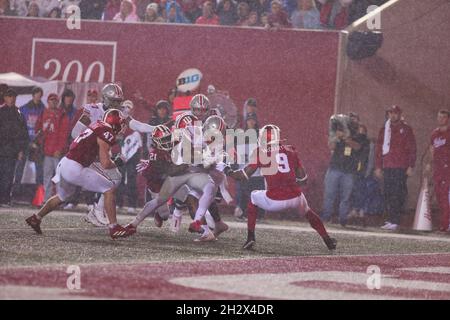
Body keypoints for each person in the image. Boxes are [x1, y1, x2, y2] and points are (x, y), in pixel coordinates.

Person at [25, 109, 133, 239]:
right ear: (116, 123)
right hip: (75, 167)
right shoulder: (106, 131)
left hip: (65, 163)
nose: (122, 128)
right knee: (109, 188)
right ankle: (114, 227)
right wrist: (118, 162)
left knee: (62, 196)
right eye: (121, 124)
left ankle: (36, 218)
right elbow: (105, 163)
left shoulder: (97, 125)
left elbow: (92, 153)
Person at [225, 124, 337, 250]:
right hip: (295, 197)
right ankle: (327, 240)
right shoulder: (290, 150)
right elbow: (303, 179)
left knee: (253, 196)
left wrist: (227, 170)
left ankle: (250, 238)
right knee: (308, 211)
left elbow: (243, 176)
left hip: (274, 200)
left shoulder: (260, 152)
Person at [375, 105, 416, 231]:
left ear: (399, 114)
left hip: (400, 166)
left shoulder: (406, 129)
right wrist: (378, 166)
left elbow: (412, 149)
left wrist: (410, 166)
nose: (393, 115)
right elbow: (379, 149)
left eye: (395, 113)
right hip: (387, 166)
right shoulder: (384, 129)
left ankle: (396, 220)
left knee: (397, 194)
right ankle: (390, 219)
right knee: (387, 193)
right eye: (390, 113)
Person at [321, 113, 363, 226]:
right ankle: (326, 218)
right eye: (350, 119)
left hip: (349, 171)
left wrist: (345, 137)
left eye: (354, 120)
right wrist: (335, 136)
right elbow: (331, 147)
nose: (351, 121)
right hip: (335, 167)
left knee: (346, 197)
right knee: (329, 194)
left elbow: (357, 147)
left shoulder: (359, 134)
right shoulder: (339, 130)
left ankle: (343, 220)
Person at [35, 93, 71, 203]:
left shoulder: (62, 115)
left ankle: (59, 200)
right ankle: (46, 199)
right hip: (46, 152)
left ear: (58, 102)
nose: (53, 102)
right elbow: (38, 129)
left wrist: (60, 149)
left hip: (57, 152)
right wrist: (39, 144)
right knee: (47, 177)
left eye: (55, 100)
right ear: (48, 101)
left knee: (59, 177)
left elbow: (64, 134)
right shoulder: (43, 113)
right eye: (51, 100)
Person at [0, 89, 29, 207]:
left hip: (12, 151)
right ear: (5, 98)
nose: (11, 99)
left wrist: (21, 150)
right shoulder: (1, 112)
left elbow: (23, 134)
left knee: (9, 176)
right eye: (9, 96)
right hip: (1, 149)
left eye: (13, 97)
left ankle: (5, 199)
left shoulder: (19, 113)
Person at [429, 109, 450, 232]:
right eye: (439, 117)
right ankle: (445, 222)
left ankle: (446, 223)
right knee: (439, 195)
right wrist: (430, 165)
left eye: (443, 117)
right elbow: (432, 151)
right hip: (438, 169)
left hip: (448, 169)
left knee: (446, 196)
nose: (441, 119)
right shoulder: (434, 134)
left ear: (448, 119)